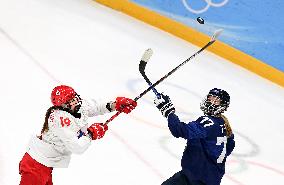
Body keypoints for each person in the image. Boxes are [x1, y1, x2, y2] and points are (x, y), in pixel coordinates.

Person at [19, 85, 137, 185]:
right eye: (70, 100)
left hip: (45, 163)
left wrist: (114, 105)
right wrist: (91, 133)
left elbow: (96, 106)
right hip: (36, 166)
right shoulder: (59, 119)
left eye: (74, 96)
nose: (76, 100)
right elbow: (77, 146)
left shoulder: (77, 107)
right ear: (63, 105)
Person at [154, 88, 235, 185]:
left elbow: (179, 131)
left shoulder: (209, 122)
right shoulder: (224, 124)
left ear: (222, 105)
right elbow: (229, 147)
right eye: (210, 98)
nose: (211, 102)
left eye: (216, 100)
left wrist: (168, 111)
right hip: (194, 176)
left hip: (200, 180)